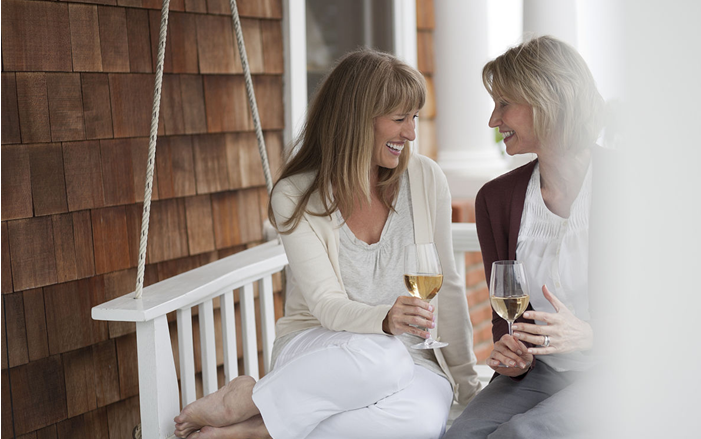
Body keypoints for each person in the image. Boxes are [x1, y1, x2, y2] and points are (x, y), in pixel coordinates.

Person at [173, 48, 482, 439]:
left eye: (415, 118)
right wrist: (384, 320)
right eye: (400, 119)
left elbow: (448, 286)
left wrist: (468, 386)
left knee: (418, 425)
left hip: (415, 358)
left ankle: (256, 424)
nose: (411, 133)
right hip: (319, 349)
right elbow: (325, 304)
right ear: (357, 120)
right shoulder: (296, 194)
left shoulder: (426, 179)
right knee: (384, 359)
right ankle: (244, 404)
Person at [444, 36, 605, 439]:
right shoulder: (496, 200)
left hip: (624, 372)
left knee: (522, 434)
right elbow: (506, 316)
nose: (493, 121)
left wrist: (591, 334)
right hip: (543, 371)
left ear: (547, 101)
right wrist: (511, 351)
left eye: (504, 104)